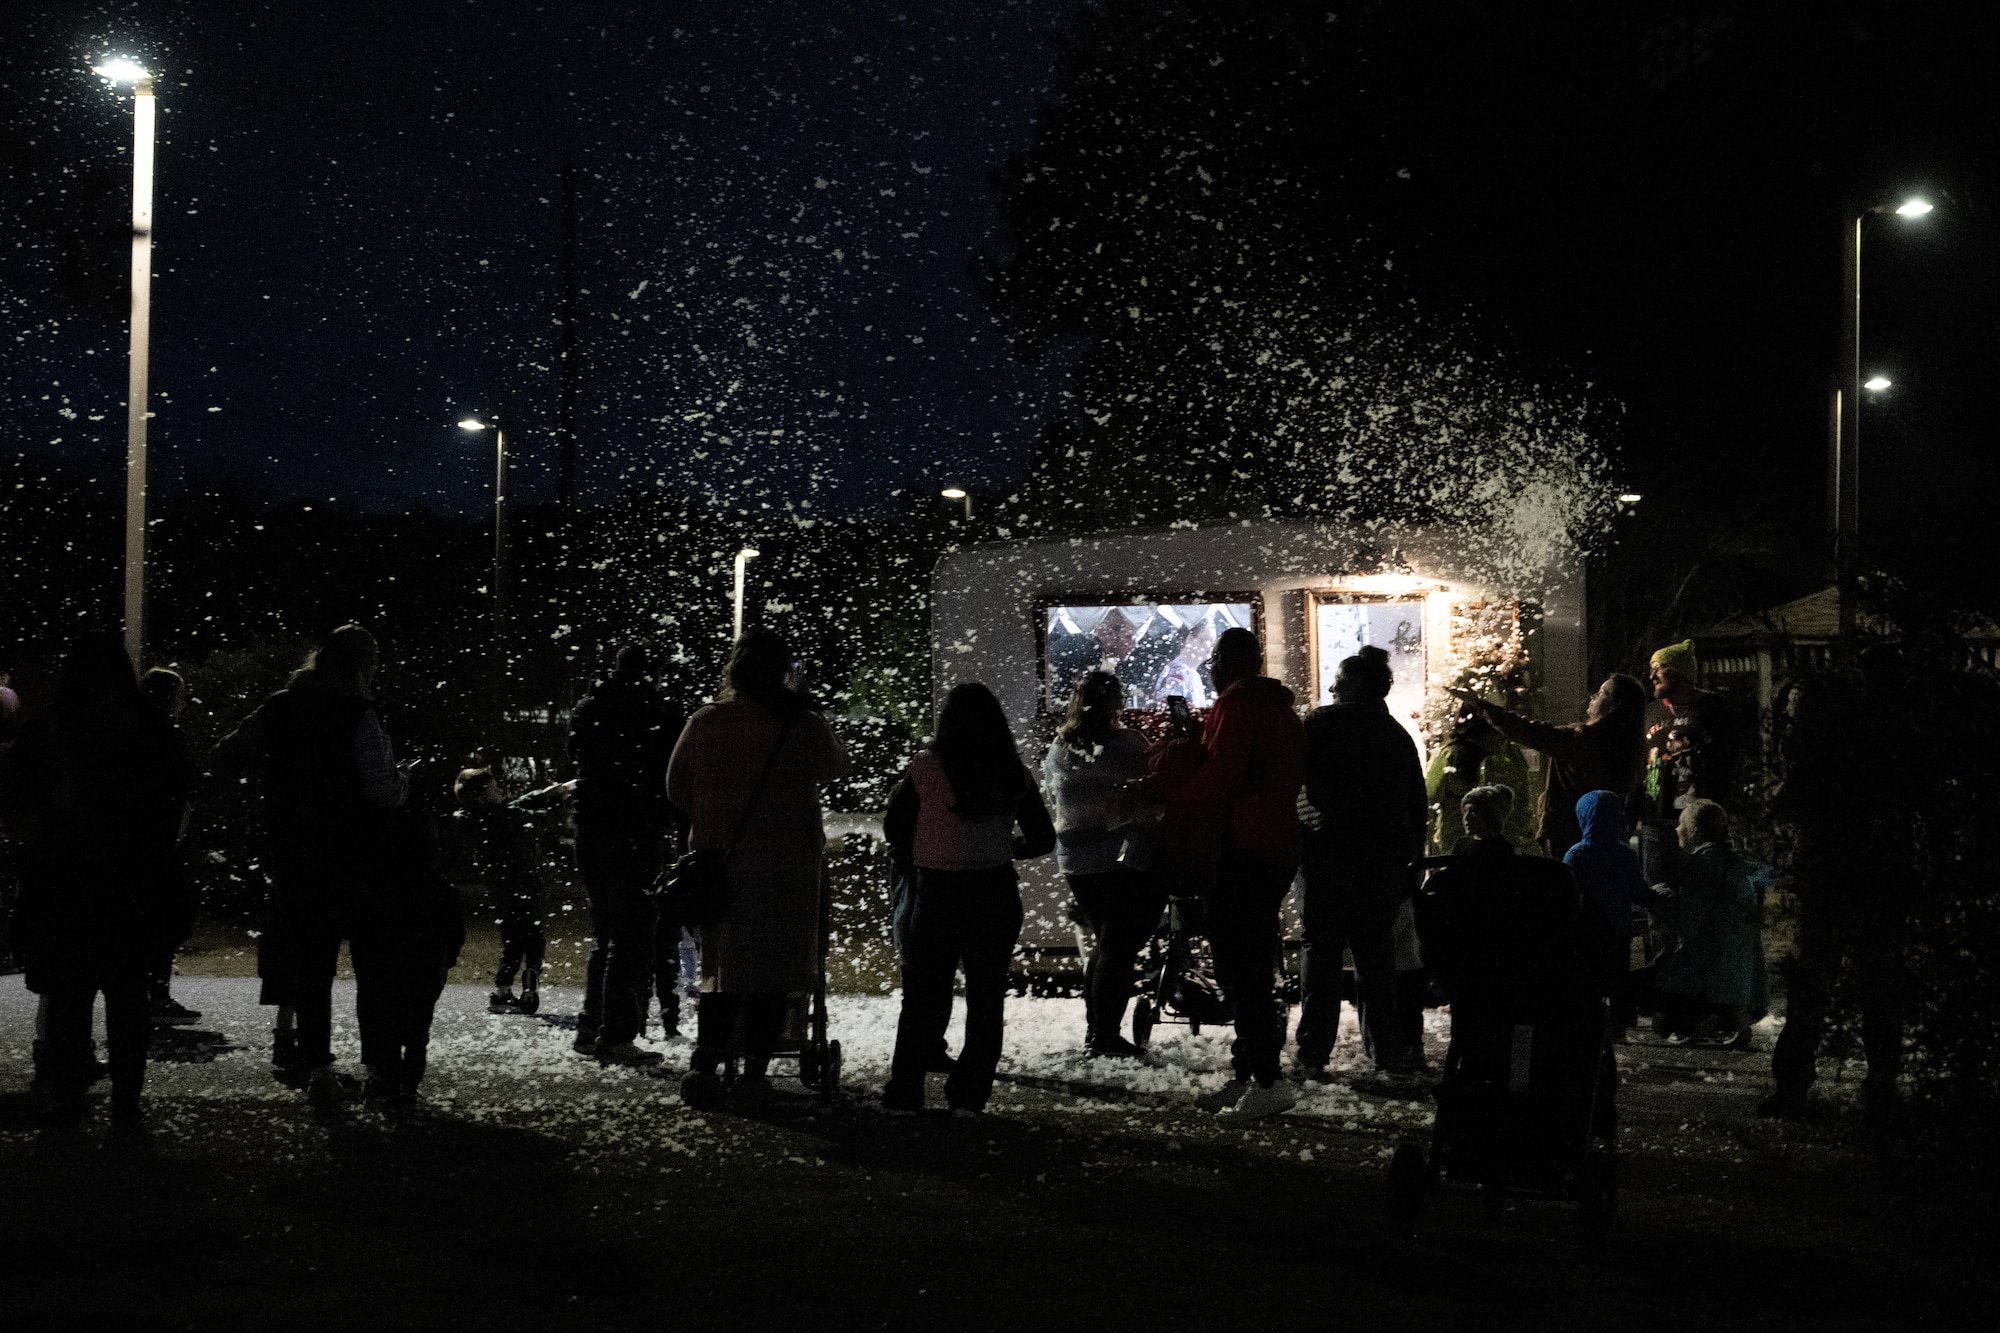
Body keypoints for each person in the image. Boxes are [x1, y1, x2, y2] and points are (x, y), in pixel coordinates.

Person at [0, 632, 188, 1140]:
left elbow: (17, 808)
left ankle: (67, 1098)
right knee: (127, 995)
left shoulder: (50, 727)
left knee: (69, 994)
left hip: (64, 880)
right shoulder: (149, 726)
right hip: (131, 881)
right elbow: (175, 799)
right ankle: (127, 1103)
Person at [213, 624, 409, 1106]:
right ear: (364, 665)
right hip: (357, 854)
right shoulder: (359, 713)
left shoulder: (280, 707)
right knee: (371, 964)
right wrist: (406, 781)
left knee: (312, 966)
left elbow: (225, 755)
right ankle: (379, 1067)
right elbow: (380, 790)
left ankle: (318, 1065)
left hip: (296, 852)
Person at [670, 629, 848, 1108]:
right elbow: (836, 768)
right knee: (776, 972)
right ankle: (754, 1073)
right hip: (789, 865)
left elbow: (675, 788)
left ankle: (704, 1067)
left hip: (721, 865)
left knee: (723, 969)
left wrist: (714, 816)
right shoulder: (803, 724)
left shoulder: (706, 721)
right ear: (782, 670)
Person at [881, 682, 1055, 1115]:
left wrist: (925, 848)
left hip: (936, 893)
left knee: (921, 997)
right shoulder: (1012, 771)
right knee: (985, 999)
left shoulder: (925, 768)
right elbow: (1043, 838)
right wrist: (1004, 845)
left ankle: (905, 1091)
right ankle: (969, 1095)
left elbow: (894, 827)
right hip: (994, 893)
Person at [1161, 627, 1306, 1121]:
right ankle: (1249, 1075)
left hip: (1244, 845)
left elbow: (1221, 776)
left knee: (1238, 965)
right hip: (1279, 844)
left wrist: (1168, 791)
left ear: (1227, 661)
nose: (1211, 667)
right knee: (1253, 960)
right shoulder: (1281, 708)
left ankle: (1265, 1080)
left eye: (1215, 659)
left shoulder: (1237, 703)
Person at [1295, 646, 1428, 1079]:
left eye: (1339, 679)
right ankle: (1385, 1050)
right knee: (1376, 957)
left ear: (1354, 685)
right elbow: (1416, 807)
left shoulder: (1319, 725)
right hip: (1382, 862)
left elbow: (1292, 783)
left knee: (1323, 951)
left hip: (1328, 855)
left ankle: (1314, 1052)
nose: (1331, 686)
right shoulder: (1396, 735)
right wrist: (1411, 861)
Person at [568, 643, 686, 1064]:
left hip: (592, 829)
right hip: (637, 831)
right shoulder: (661, 713)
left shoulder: (589, 707)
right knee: (633, 936)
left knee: (605, 933)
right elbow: (677, 774)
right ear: (652, 673)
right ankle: (615, 1034)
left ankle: (590, 1025)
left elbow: (575, 758)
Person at [1042, 669, 1163, 1057]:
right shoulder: (1127, 745)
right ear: (1117, 701)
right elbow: (1156, 784)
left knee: (1105, 944)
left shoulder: (1061, 746)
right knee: (1119, 947)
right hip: (1121, 856)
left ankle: (1097, 1032)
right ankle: (1105, 1036)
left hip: (1076, 859)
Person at [1447, 674, 1648, 858]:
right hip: (1609, 836)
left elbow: (1527, 731)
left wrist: (1480, 706)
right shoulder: (1630, 747)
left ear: (1613, 705)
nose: (1592, 696)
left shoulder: (1583, 740)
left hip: (1569, 834)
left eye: (1601, 693)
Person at [451, 766, 573, 1015]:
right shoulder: (505, 818)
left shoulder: (473, 817)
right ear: (483, 795)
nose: (501, 790)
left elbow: (514, 806)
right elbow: (533, 816)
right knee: (534, 939)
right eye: (495, 788)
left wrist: (542, 793)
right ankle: (529, 989)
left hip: (502, 890)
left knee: (513, 940)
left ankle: (503, 991)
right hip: (522, 886)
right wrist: (555, 801)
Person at [1649, 798, 1766, 1046]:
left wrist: (1662, 896)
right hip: (1737, 958)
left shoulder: (1703, 864)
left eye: (1681, 824)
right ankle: (1736, 1022)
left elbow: (1689, 918)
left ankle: (1704, 1020)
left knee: (1662, 1014)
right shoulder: (1731, 862)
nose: (1676, 829)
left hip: (1711, 957)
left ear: (1695, 830)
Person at [1638, 639, 1743, 883]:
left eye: (1659, 668)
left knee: (1700, 894)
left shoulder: (1715, 708)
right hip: (1657, 821)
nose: (1652, 675)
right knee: (1658, 897)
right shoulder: (1651, 711)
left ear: (1681, 672)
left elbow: (1733, 759)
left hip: (1700, 823)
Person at [137, 667, 202, 1029]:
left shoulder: (132, 733)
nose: (183, 704)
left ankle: (149, 994)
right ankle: (155, 995)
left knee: (152, 922)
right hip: (160, 844)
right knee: (163, 921)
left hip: (144, 841)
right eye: (179, 695)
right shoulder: (165, 735)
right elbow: (183, 782)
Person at [1563, 790, 1653, 1036]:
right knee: (1617, 975)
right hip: (1618, 927)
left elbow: (1568, 893)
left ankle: (1590, 1023)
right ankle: (1618, 1023)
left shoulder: (1576, 854)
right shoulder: (1624, 853)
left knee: (1590, 976)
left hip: (1587, 929)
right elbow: (1637, 890)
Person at [1424, 702, 1530, 853]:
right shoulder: (1511, 755)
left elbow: (1428, 800)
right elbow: (1523, 807)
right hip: (1505, 850)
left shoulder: (1448, 755)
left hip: (1456, 852)